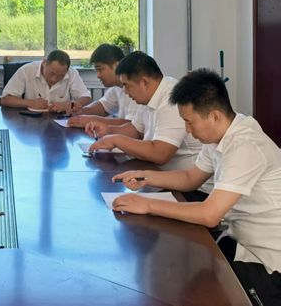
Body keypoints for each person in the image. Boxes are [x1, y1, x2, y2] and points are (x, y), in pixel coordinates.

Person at [112, 68, 281, 306]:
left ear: (214, 116)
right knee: (181, 270)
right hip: (240, 243)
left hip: (269, 263)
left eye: (189, 122)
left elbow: (210, 215)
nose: (188, 131)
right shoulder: (221, 135)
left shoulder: (245, 145)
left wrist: (147, 204)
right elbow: (190, 178)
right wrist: (145, 177)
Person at [87, 51, 202, 173]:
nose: (125, 91)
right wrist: (108, 130)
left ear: (144, 82)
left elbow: (160, 154)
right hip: (159, 173)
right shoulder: (149, 95)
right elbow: (136, 130)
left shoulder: (172, 98)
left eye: (127, 85)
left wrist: (116, 140)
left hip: (189, 181)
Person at [68, 44, 138, 128]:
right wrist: (81, 111)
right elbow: (102, 106)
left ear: (117, 66)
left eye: (100, 69)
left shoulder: (135, 88)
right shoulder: (115, 88)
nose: (98, 75)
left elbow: (132, 125)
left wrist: (91, 120)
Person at [0, 49, 92, 113]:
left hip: (60, 121)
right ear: (44, 63)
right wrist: (31, 103)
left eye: (60, 76)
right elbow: (5, 99)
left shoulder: (72, 73)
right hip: (30, 123)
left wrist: (70, 105)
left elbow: (86, 98)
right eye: (52, 73)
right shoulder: (26, 71)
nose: (54, 79)